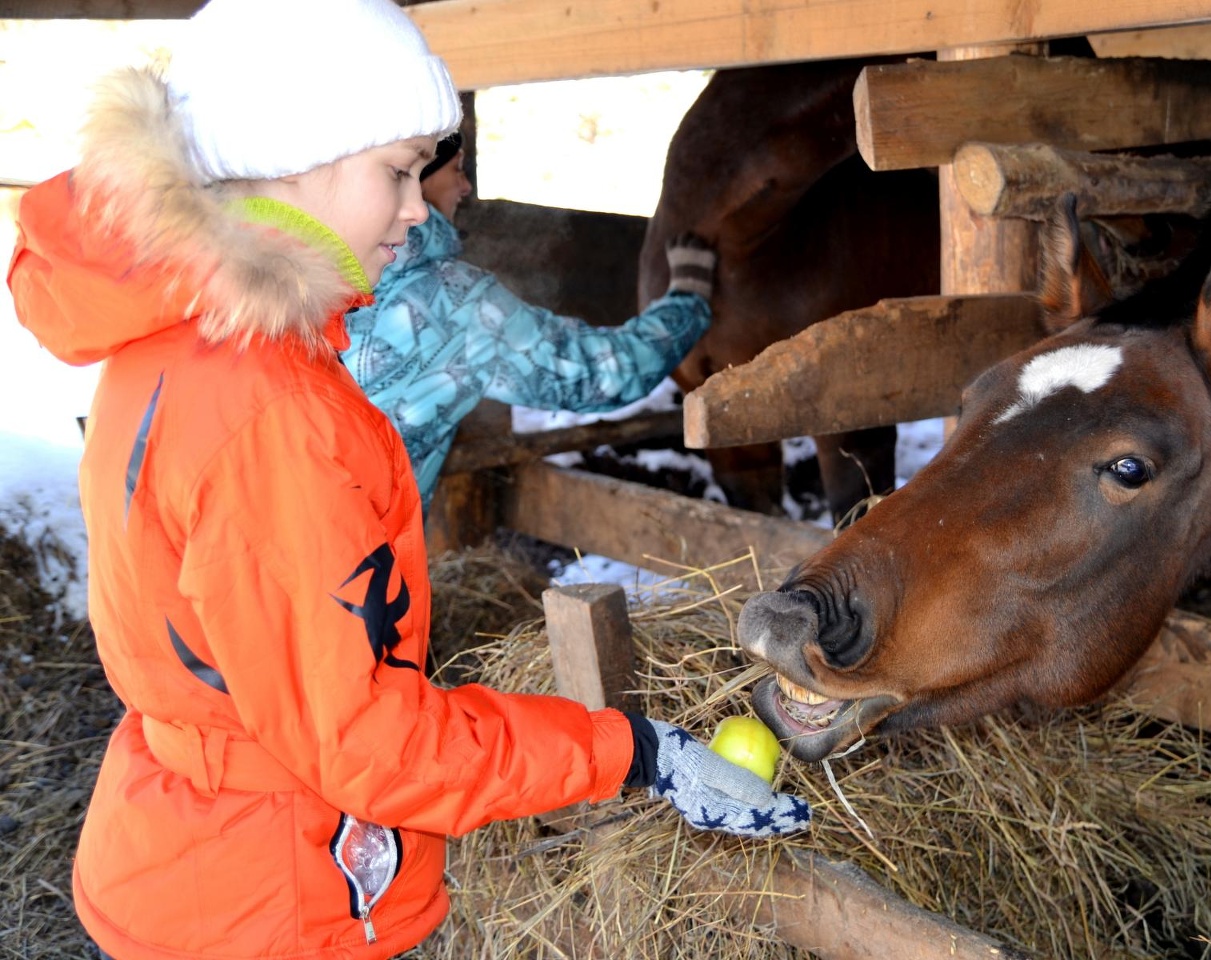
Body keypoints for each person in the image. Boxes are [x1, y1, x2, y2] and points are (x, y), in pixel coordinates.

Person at [6, 2, 809, 959]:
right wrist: (633, 751)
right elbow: (371, 746)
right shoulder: (276, 415)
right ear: (289, 161)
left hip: (185, 840)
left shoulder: (178, 339)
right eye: (396, 171)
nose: (419, 204)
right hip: (280, 900)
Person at [342, 130, 716, 512]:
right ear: (419, 172)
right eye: (457, 169)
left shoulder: (322, 266)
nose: (466, 186)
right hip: (365, 553)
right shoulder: (459, 303)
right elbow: (599, 374)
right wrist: (688, 301)